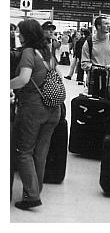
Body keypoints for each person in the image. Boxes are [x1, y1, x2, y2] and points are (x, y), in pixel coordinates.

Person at [9, 19, 62, 210]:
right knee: (40, 153)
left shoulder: (28, 53)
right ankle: (35, 190)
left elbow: (23, 79)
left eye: (20, 32)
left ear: (26, 35)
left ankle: (31, 195)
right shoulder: (47, 52)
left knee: (24, 152)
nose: (18, 35)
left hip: (33, 108)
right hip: (53, 109)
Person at [81, 16, 110, 99]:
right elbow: (83, 63)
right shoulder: (89, 42)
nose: (108, 26)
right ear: (98, 26)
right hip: (93, 81)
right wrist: (94, 68)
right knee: (94, 107)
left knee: (109, 107)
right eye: (106, 23)